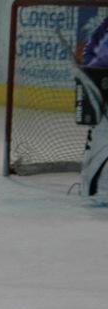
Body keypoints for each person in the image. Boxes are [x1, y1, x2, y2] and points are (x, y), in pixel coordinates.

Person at [80, 15, 108, 199]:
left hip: (98, 83)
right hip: (101, 87)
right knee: (101, 142)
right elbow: (97, 59)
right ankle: (94, 193)